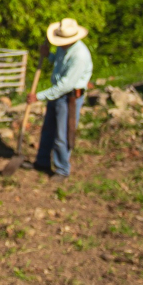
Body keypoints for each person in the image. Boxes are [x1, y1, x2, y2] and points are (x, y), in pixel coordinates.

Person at [28, 18, 93, 182]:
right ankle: (42, 162)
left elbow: (65, 85)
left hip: (69, 97)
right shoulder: (62, 47)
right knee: (48, 129)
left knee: (62, 134)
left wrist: (38, 96)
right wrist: (47, 55)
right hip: (57, 94)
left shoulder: (79, 56)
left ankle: (62, 169)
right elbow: (58, 64)